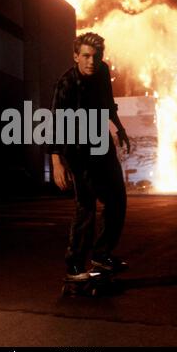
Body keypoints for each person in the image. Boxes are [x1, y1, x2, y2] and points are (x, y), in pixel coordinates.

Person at [48, 32, 130, 281]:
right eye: (85, 56)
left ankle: (101, 254)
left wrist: (120, 128)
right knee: (86, 205)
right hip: (76, 148)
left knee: (117, 198)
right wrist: (56, 162)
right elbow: (55, 124)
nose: (91, 61)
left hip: (100, 140)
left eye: (96, 56)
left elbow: (108, 102)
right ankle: (74, 265)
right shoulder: (66, 84)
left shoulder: (102, 71)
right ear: (76, 56)